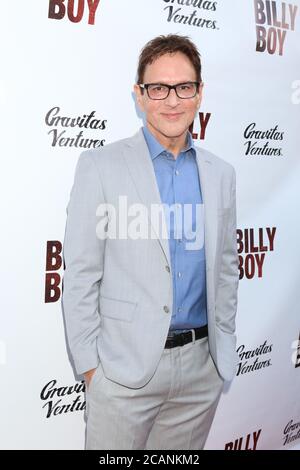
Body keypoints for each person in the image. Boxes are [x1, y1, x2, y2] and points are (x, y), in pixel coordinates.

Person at [62, 34, 239, 450]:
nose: (172, 100)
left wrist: (221, 348)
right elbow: (82, 273)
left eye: (184, 87)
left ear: (199, 93)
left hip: (200, 371)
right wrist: (92, 369)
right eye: (158, 88)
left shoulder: (222, 173)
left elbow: (227, 268)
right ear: (140, 95)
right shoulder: (100, 165)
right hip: (123, 374)